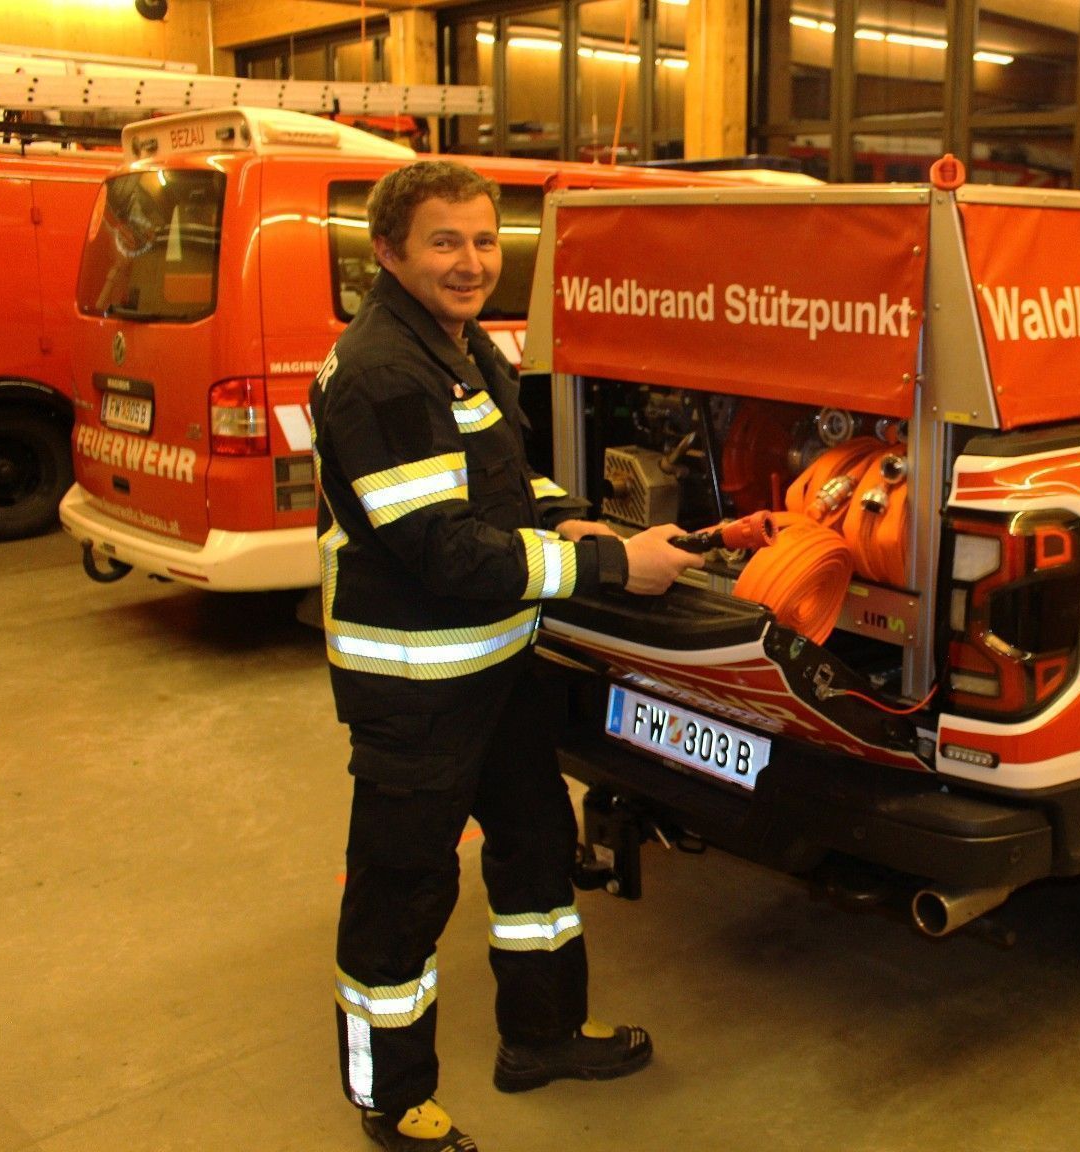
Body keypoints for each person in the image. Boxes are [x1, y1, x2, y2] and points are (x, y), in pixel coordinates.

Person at [310, 160, 702, 1152]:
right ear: (389, 251)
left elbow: (497, 484)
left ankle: (542, 1035)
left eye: (485, 241)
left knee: (534, 849)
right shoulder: (384, 372)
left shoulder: (458, 344)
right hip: (417, 686)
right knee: (403, 893)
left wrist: (566, 515)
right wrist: (607, 563)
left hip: (499, 664)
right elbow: (442, 549)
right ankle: (391, 1100)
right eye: (445, 241)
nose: (472, 262)